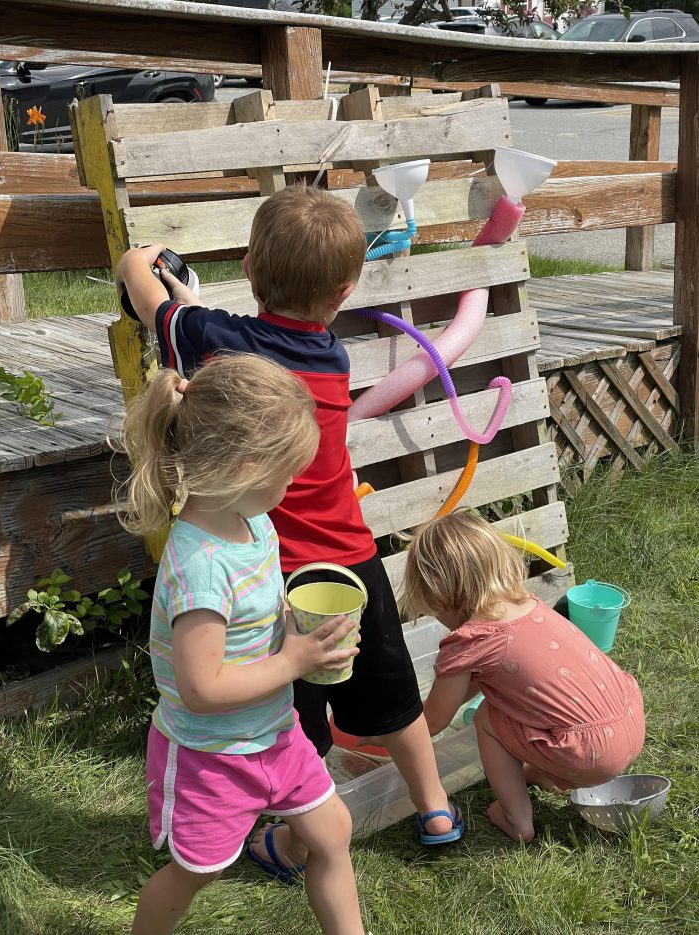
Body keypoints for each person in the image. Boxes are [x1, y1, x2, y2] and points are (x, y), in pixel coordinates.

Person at [115, 184, 462, 875]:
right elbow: (245, 330)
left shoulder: (209, 339)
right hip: (351, 557)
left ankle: (281, 830)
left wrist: (145, 265)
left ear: (249, 267)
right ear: (341, 293)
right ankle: (434, 807)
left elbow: (147, 290)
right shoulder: (331, 356)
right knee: (389, 693)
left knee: (288, 711)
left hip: (272, 571)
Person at [116, 354, 366, 935]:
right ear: (242, 467)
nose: (291, 486)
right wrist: (293, 660)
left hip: (274, 733)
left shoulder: (254, 525)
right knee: (193, 874)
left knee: (333, 832)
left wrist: (294, 626)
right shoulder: (199, 566)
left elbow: (251, 617)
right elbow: (201, 689)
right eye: (286, 474)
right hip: (212, 756)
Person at [400, 511, 646, 843]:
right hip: (630, 722)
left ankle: (516, 819)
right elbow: (499, 681)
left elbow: (432, 722)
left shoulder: (470, 641)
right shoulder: (530, 605)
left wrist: (389, 735)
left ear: (442, 595)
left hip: (590, 754)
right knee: (529, 703)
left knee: (488, 717)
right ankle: (545, 773)